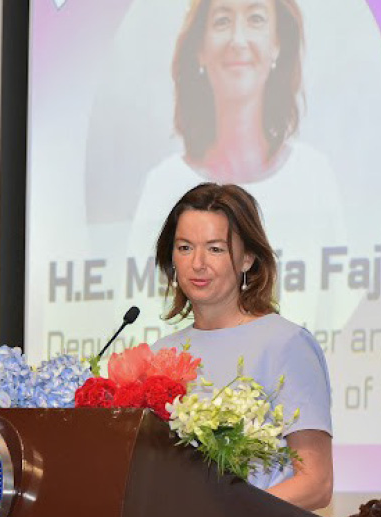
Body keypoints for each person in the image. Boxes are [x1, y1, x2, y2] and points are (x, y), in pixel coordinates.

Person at [131, 0, 350, 331]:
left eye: (256, 19)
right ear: (200, 50)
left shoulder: (314, 176)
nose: (238, 39)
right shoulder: (162, 182)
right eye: (221, 22)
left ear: (277, 45)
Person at [151, 183, 333, 511]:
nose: (198, 263)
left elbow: (316, 483)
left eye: (216, 249)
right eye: (184, 247)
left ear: (247, 258)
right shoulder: (159, 355)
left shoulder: (285, 344)